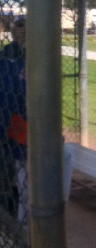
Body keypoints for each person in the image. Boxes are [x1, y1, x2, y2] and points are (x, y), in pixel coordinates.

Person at [0, 17, 27, 224]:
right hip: (7, 118)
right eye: (18, 26)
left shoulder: (37, 54)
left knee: (22, 169)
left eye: (24, 26)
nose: (19, 29)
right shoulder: (7, 54)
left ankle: (22, 218)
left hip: (23, 121)